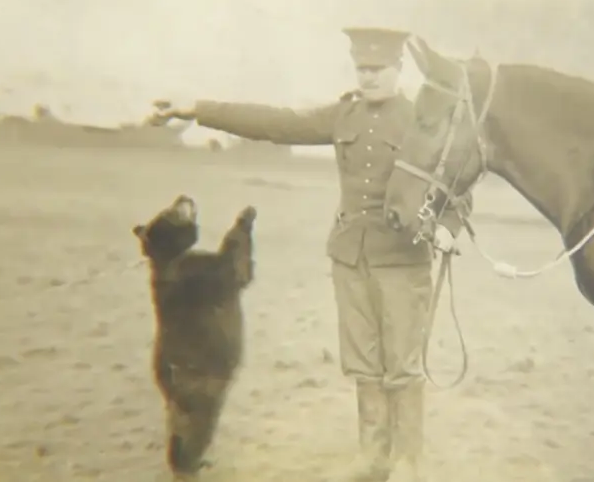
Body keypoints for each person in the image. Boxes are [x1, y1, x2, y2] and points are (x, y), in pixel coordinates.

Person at [149, 27, 471, 482]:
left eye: (379, 70)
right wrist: (198, 110)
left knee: (401, 364)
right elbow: (275, 123)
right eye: (362, 69)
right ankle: (374, 456)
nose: (370, 77)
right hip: (349, 258)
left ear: (399, 70)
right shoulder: (344, 116)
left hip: (402, 259)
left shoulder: (424, 120)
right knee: (363, 363)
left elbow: (459, 186)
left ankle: (407, 462)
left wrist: (445, 227)